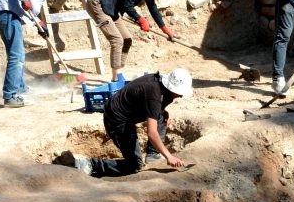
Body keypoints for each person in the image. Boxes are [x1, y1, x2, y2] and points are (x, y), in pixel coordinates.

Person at [58, 68, 193, 177]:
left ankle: (153, 155)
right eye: (179, 92)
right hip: (116, 120)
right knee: (134, 166)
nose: (180, 95)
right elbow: (151, 132)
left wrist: (163, 112)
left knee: (162, 116)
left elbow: (155, 107)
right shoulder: (153, 93)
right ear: (171, 87)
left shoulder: (162, 88)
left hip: (127, 113)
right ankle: (91, 164)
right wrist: (169, 156)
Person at [86, 0, 176, 82]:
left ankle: (118, 72)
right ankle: (115, 80)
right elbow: (128, 5)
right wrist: (140, 19)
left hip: (111, 8)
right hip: (98, 4)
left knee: (127, 39)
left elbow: (152, 7)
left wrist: (165, 29)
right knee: (117, 40)